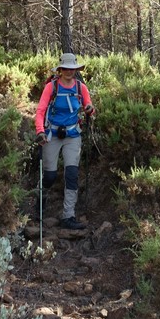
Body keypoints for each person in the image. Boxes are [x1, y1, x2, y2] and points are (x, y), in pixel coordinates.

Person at [34, 53, 96, 230]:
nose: (69, 71)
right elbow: (40, 111)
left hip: (73, 136)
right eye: (66, 68)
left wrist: (90, 109)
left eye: (72, 69)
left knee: (72, 175)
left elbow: (89, 107)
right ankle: (39, 200)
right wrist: (40, 131)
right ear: (60, 69)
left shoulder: (80, 87)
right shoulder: (51, 87)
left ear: (76, 70)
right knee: (50, 175)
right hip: (51, 135)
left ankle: (68, 216)